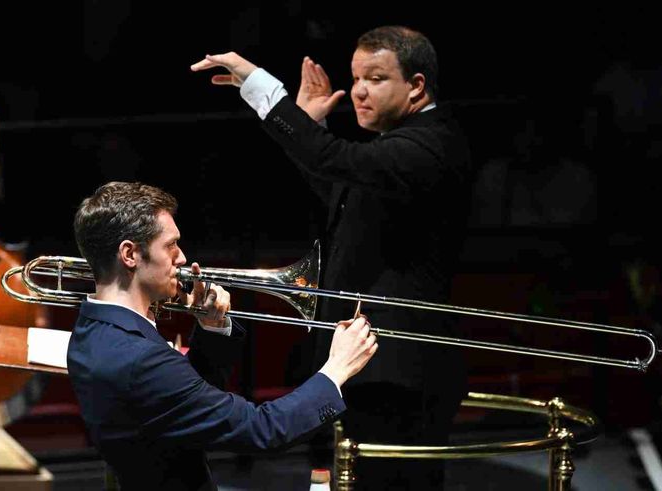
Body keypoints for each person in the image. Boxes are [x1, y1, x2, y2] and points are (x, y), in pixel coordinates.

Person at [192, 25, 472, 489]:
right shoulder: (402, 146)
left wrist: (260, 86)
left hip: (398, 374)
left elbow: (335, 161)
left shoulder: (430, 144)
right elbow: (344, 190)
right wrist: (312, 127)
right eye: (356, 77)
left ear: (417, 86)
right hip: (371, 366)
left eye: (377, 79)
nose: (359, 91)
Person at [66, 181, 378, 490]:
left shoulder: (91, 331)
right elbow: (264, 429)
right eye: (170, 245)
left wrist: (212, 326)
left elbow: (185, 406)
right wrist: (337, 368)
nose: (182, 258)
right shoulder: (138, 358)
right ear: (130, 254)